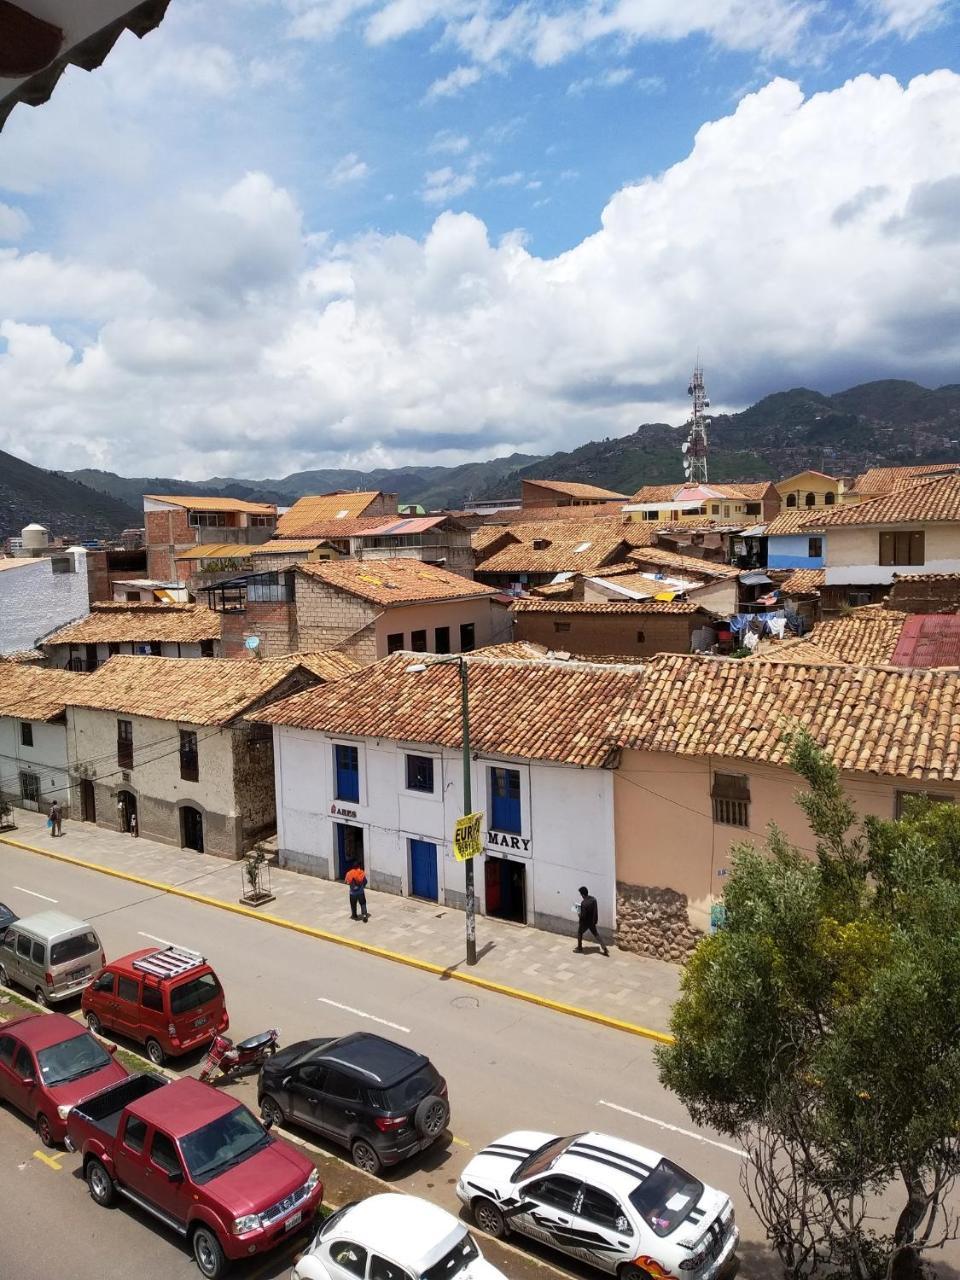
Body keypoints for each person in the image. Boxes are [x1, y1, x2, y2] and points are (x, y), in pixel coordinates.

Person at [575, 885, 608, 956]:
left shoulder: (583, 903)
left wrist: (578, 913)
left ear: (583, 894)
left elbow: (583, 916)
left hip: (585, 923)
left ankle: (580, 947)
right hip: (592, 921)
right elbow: (595, 910)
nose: (581, 896)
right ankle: (604, 948)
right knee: (596, 934)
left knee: (579, 933)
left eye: (581, 894)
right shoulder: (593, 899)